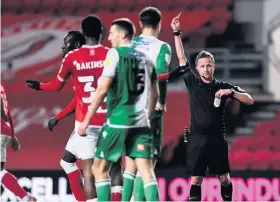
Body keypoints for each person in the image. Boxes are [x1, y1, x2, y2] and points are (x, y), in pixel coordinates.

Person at [26, 16, 123, 201]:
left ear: (83, 35)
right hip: (109, 120)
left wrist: (40, 86)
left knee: (87, 171)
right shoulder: (112, 54)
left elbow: (58, 87)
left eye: (65, 43)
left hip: (86, 124)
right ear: (101, 33)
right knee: (108, 164)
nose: (63, 47)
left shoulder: (73, 58)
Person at [170, 14, 254, 201]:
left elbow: (249, 100)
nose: (206, 69)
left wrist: (229, 93)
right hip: (197, 138)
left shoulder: (223, 86)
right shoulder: (192, 82)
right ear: (197, 69)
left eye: (209, 66)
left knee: (224, 179)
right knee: (195, 179)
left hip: (217, 139)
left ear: (213, 67)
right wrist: (176, 32)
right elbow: (182, 57)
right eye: (202, 66)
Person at [77, 18, 159, 202]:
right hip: (141, 122)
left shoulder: (115, 54)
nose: (109, 38)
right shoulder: (146, 58)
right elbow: (155, 91)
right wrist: (148, 115)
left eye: (113, 33)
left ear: (123, 34)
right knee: (146, 171)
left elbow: (102, 89)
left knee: (99, 168)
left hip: (118, 121)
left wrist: (86, 120)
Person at [0, 84, 37, 202]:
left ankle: (25, 197)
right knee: (0, 172)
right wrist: (11, 134)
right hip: (4, 130)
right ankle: (25, 197)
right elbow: (8, 112)